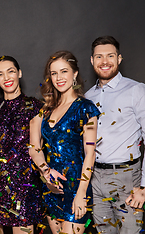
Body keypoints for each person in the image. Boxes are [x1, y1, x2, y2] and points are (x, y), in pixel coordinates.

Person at [85, 36, 145, 233]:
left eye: (110, 56)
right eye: (99, 57)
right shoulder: (87, 97)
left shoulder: (136, 90)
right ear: (92, 60)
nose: (104, 62)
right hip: (94, 178)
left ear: (119, 59)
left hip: (127, 178)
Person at [29, 51, 100, 234]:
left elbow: (90, 153)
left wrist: (81, 193)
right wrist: (46, 172)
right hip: (51, 188)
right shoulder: (45, 110)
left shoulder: (86, 108)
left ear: (74, 74)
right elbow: (34, 148)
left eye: (64, 71)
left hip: (76, 186)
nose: (59, 78)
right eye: (54, 73)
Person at [0, 56, 44, 234]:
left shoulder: (35, 106)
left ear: (19, 73)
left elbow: (36, 147)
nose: (6, 78)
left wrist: (45, 170)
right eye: (0, 74)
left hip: (25, 186)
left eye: (10, 71)